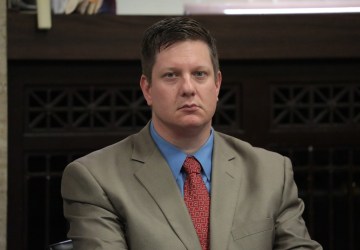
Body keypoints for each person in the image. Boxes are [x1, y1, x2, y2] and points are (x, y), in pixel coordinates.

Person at [61, 16, 322, 250]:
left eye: (199, 74)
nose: (188, 88)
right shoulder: (95, 179)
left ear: (217, 84)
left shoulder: (271, 172)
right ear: (147, 89)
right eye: (171, 75)